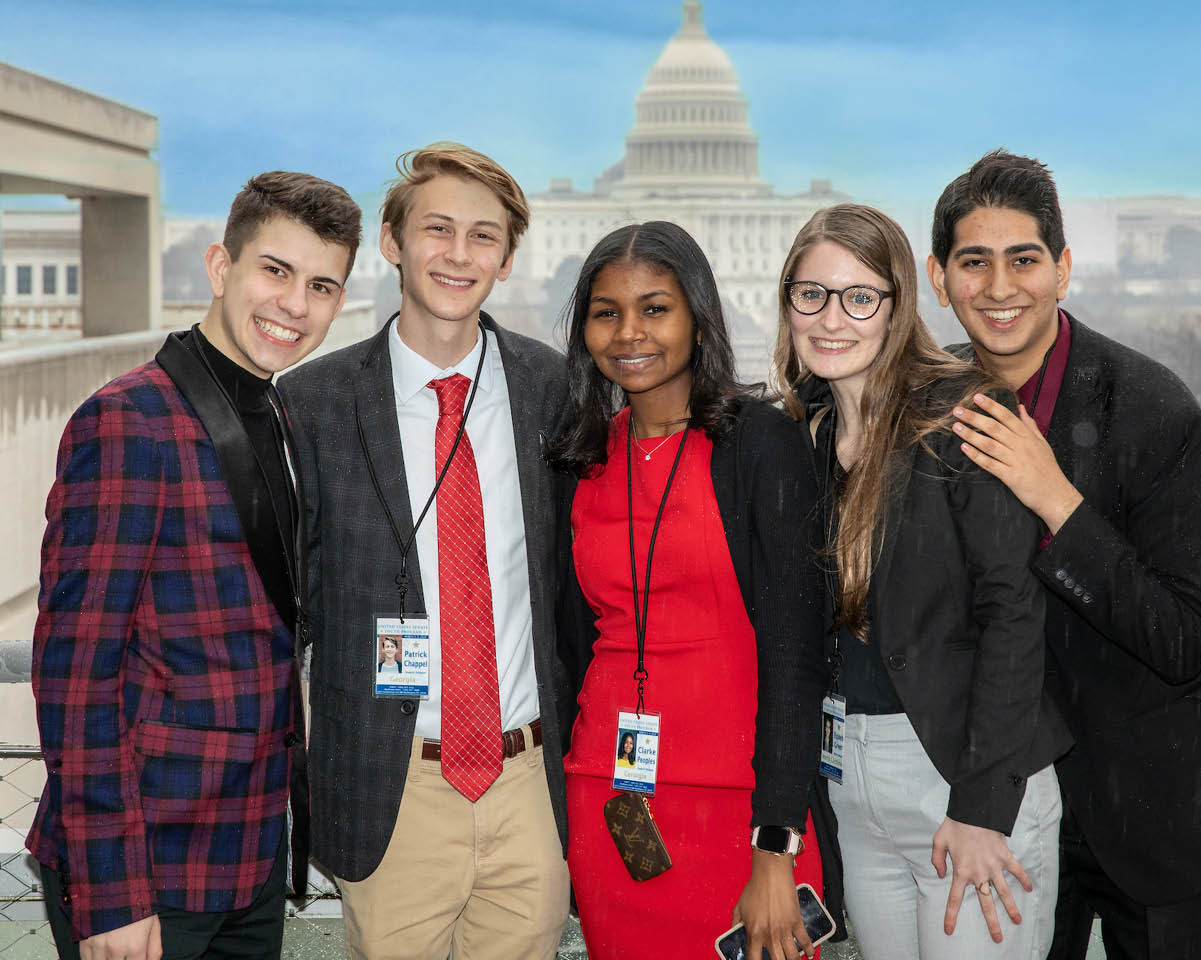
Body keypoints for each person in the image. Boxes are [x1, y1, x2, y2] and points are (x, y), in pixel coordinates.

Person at [928, 149, 1201, 960]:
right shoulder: (927, 407)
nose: (1001, 287)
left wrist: (1055, 498)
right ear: (940, 279)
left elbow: (1185, 642)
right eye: (974, 263)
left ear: (1064, 270)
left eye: (1025, 260)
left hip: (1159, 798)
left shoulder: (1156, 411)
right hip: (1010, 807)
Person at [27, 171, 362, 959]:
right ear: (221, 268)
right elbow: (76, 674)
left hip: (246, 859)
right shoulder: (129, 421)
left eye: (321, 285)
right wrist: (111, 893)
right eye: (274, 271)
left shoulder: (278, 413)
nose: (293, 304)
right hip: (145, 874)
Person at [279, 142, 572, 960]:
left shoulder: (555, 390)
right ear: (392, 242)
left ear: (509, 260)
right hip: (390, 783)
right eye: (437, 229)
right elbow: (286, 610)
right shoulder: (313, 403)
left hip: (528, 785)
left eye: (483, 236)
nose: (458, 254)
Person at [776, 203, 1073, 959]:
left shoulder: (964, 413)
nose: (832, 318)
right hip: (854, 782)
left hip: (964, 777)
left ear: (897, 305)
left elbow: (1012, 613)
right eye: (811, 295)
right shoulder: (802, 431)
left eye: (859, 296)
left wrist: (982, 810)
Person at [552, 221, 826, 960]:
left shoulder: (760, 442)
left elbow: (798, 654)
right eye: (606, 312)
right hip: (611, 802)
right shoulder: (583, 454)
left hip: (742, 811)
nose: (629, 332)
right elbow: (576, 640)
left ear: (697, 319)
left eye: (655, 308)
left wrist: (776, 845)